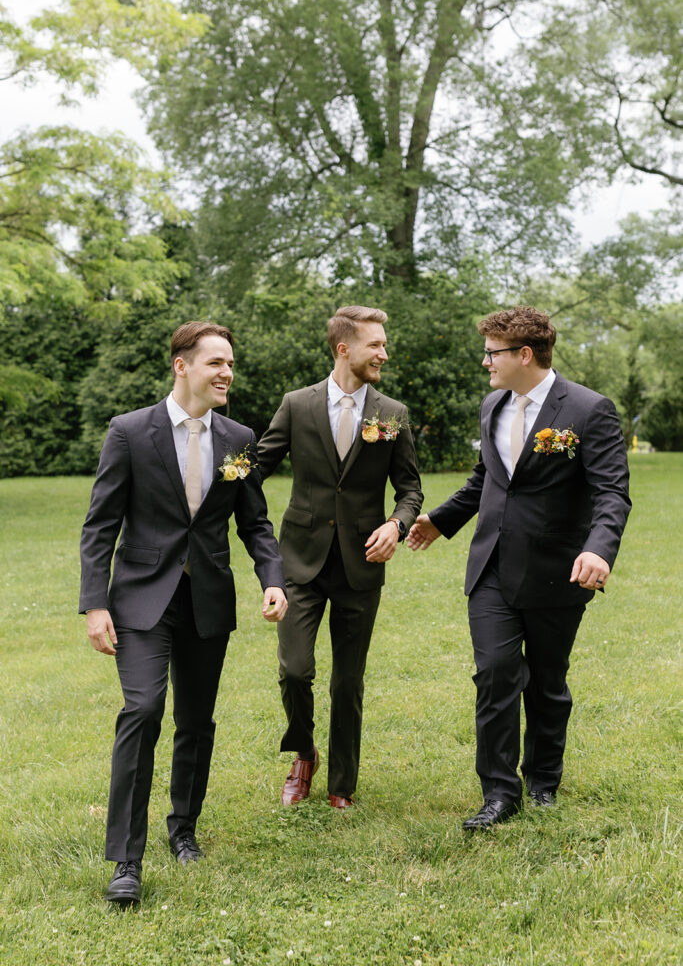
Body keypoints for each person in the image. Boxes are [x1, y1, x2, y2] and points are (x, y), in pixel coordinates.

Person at [79, 321, 287, 906]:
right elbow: (100, 527)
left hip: (208, 599)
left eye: (230, 363)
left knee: (196, 721)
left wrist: (272, 579)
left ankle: (184, 828)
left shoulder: (239, 438)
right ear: (182, 366)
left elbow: (254, 523)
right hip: (143, 598)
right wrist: (95, 604)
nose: (226, 373)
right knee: (143, 710)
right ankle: (125, 859)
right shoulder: (129, 431)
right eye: (215, 362)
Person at [407, 306, 630, 830]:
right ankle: (500, 794)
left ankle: (544, 781)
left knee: (547, 681)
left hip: (558, 570)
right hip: (491, 567)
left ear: (524, 355)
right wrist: (441, 521)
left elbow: (611, 492)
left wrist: (598, 548)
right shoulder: (492, 406)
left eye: (493, 352)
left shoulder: (589, 409)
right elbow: (486, 479)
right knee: (495, 674)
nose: (486, 361)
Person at [257, 306, 423, 809]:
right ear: (343, 348)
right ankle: (303, 753)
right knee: (295, 670)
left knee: (348, 679)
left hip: (362, 564)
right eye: (376, 344)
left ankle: (341, 785)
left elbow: (410, 487)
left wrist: (397, 524)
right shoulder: (296, 404)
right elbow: (256, 466)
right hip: (299, 561)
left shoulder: (392, 414)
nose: (384, 353)